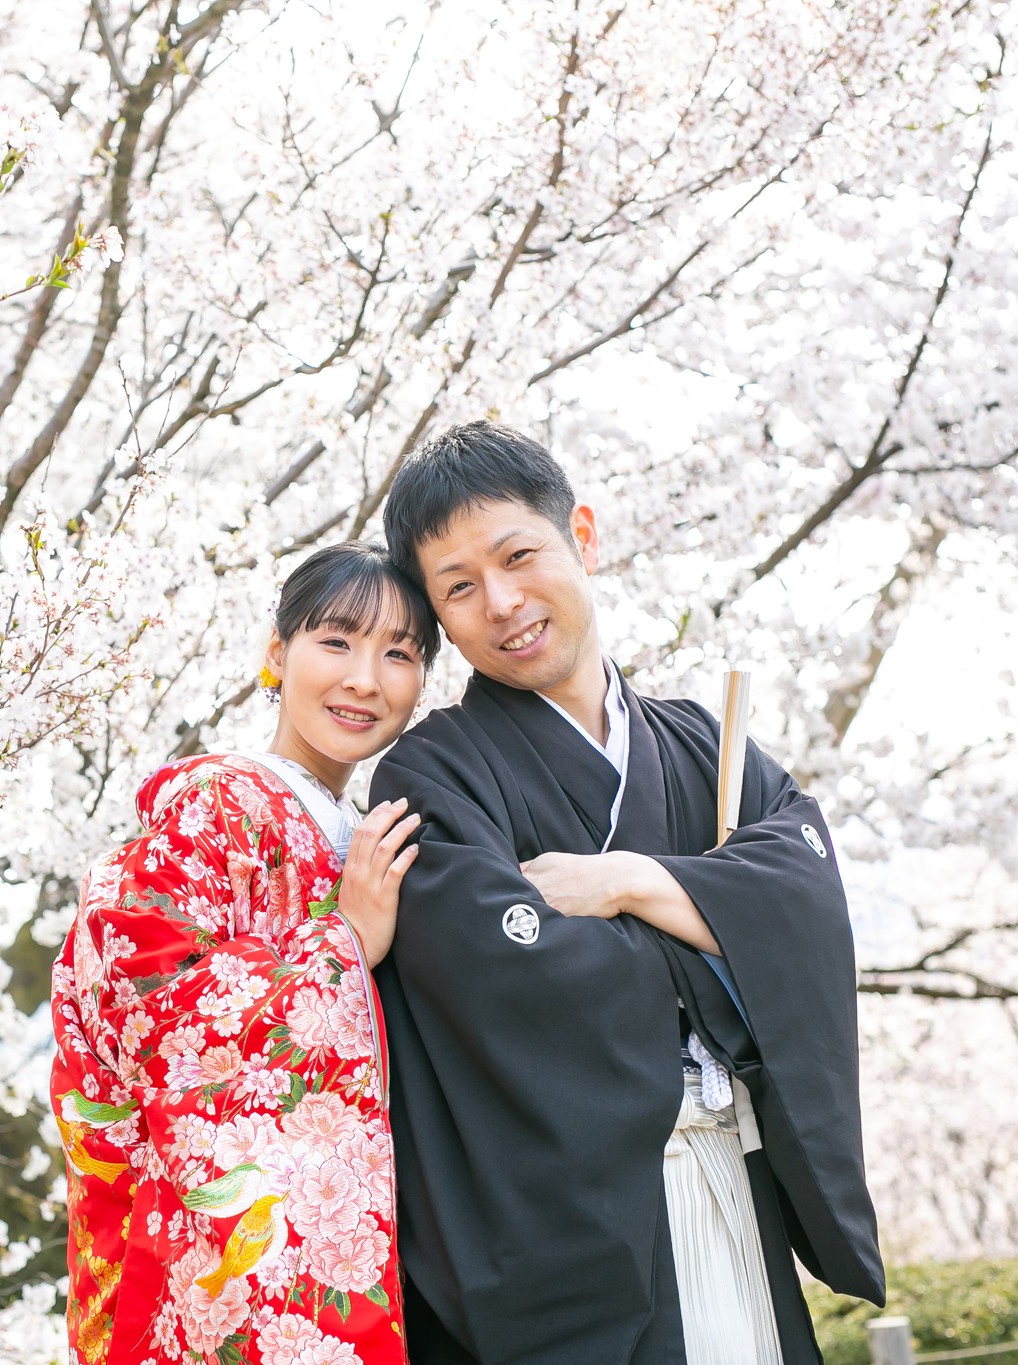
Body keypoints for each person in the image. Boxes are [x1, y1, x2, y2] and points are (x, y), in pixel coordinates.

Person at [369, 422, 885, 1365]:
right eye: (459, 587)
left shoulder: (702, 743)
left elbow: (813, 907)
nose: (503, 602)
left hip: (739, 1187)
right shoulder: (433, 775)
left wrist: (632, 880)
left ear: (584, 536)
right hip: (577, 1246)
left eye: (518, 556)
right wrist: (724, 919)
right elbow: (504, 980)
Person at [50, 542, 438, 1365]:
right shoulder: (219, 800)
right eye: (336, 641)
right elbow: (141, 1009)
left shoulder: (365, 824)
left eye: (399, 654)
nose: (365, 678)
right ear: (277, 652)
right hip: (242, 1262)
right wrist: (343, 945)